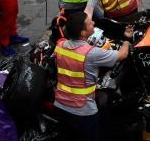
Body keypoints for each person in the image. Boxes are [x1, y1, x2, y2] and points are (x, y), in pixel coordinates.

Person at [54, 11, 130, 141]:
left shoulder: (60, 45)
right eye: (90, 24)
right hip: (83, 110)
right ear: (83, 33)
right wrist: (127, 40)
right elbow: (122, 55)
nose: (93, 23)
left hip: (60, 105)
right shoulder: (92, 54)